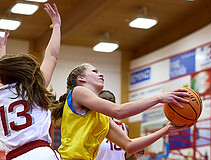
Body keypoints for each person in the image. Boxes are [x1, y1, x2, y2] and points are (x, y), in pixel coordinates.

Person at [51, 63, 194, 160]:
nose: (101, 74)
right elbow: (119, 111)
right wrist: (159, 97)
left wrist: (167, 129)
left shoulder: (101, 117)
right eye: (95, 71)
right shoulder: (78, 92)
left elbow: (129, 145)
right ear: (81, 79)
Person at [0, 3, 61, 160]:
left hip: (15, 156)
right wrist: (56, 26)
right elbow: (52, 56)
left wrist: (1, 51)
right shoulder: (34, 88)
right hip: (41, 152)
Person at [95, 90, 144, 160]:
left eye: (111, 101)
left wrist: (134, 156)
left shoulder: (124, 128)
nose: (108, 103)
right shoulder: (91, 126)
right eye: (104, 100)